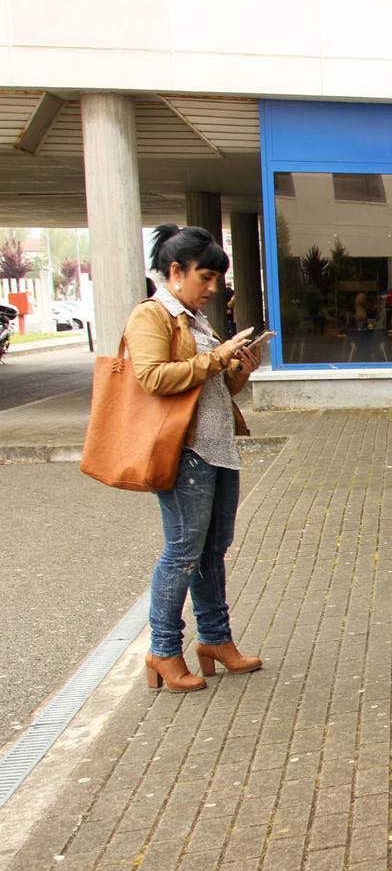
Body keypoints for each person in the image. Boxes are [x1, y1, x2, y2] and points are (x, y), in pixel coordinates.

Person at [127, 224, 263, 692]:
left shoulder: (196, 319)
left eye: (216, 279)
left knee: (212, 551)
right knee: (182, 553)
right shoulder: (153, 316)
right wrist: (215, 357)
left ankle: (215, 641)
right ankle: (163, 650)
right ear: (175, 271)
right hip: (184, 452)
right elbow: (151, 377)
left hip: (218, 449)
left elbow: (212, 389)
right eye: (205, 277)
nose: (213, 288)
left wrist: (238, 371)